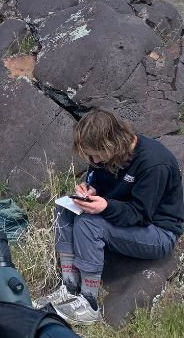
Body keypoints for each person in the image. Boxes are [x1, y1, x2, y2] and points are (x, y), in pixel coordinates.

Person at [35, 109, 183, 325]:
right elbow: (99, 179)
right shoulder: (106, 155)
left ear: (110, 143)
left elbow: (140, 214)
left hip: (159, 231)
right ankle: (69, 286)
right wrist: (90, 189)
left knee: (88, 223)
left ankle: (89, 303)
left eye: (95, 154)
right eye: (89, 156)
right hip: (128, 219)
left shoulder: (154, 163)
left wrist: (105, 207)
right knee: (65, 208)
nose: (93, 160)